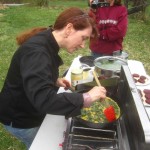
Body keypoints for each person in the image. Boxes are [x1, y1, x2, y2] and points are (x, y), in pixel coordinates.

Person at [0, 7, 106, 149]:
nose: (82, 45)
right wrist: (86, 97)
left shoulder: (48, 39)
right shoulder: (37, 52)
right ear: (69, 28)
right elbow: (43, 99)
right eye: (83, 38)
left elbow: (34, 72)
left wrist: (54, 80)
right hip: (20, 117)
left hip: (29, 107)